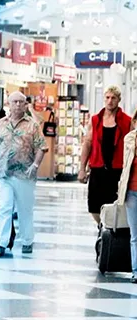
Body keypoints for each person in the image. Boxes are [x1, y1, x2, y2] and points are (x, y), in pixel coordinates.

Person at [0, 92, 45, 257]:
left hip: (25, 174)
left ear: (25, 105)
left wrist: (36, 164)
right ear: (8, 104)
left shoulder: (33, 125)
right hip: (3, 173)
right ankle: (0, 243)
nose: (18, 105)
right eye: (15, 102)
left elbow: (41, 147)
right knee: (4, 207)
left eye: (21, 102)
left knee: (25, 209)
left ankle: (27, 240)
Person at [79, 86, 132, 227]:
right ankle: (101, 226)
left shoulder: (127, 121)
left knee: (115, 204)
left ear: (119, 100)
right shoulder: (95, 120)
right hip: (98, 168)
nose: (110, 101)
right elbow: (87, 143)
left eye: (113, 98)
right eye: (107, 97)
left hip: (117, 170)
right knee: (93, 206)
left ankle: (109, 230)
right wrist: (82, 168)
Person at [118, 117, 137, 283]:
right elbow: (126, 165)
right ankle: (136, 272)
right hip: (132, 191)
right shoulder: (130, 139)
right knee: (134, 234)